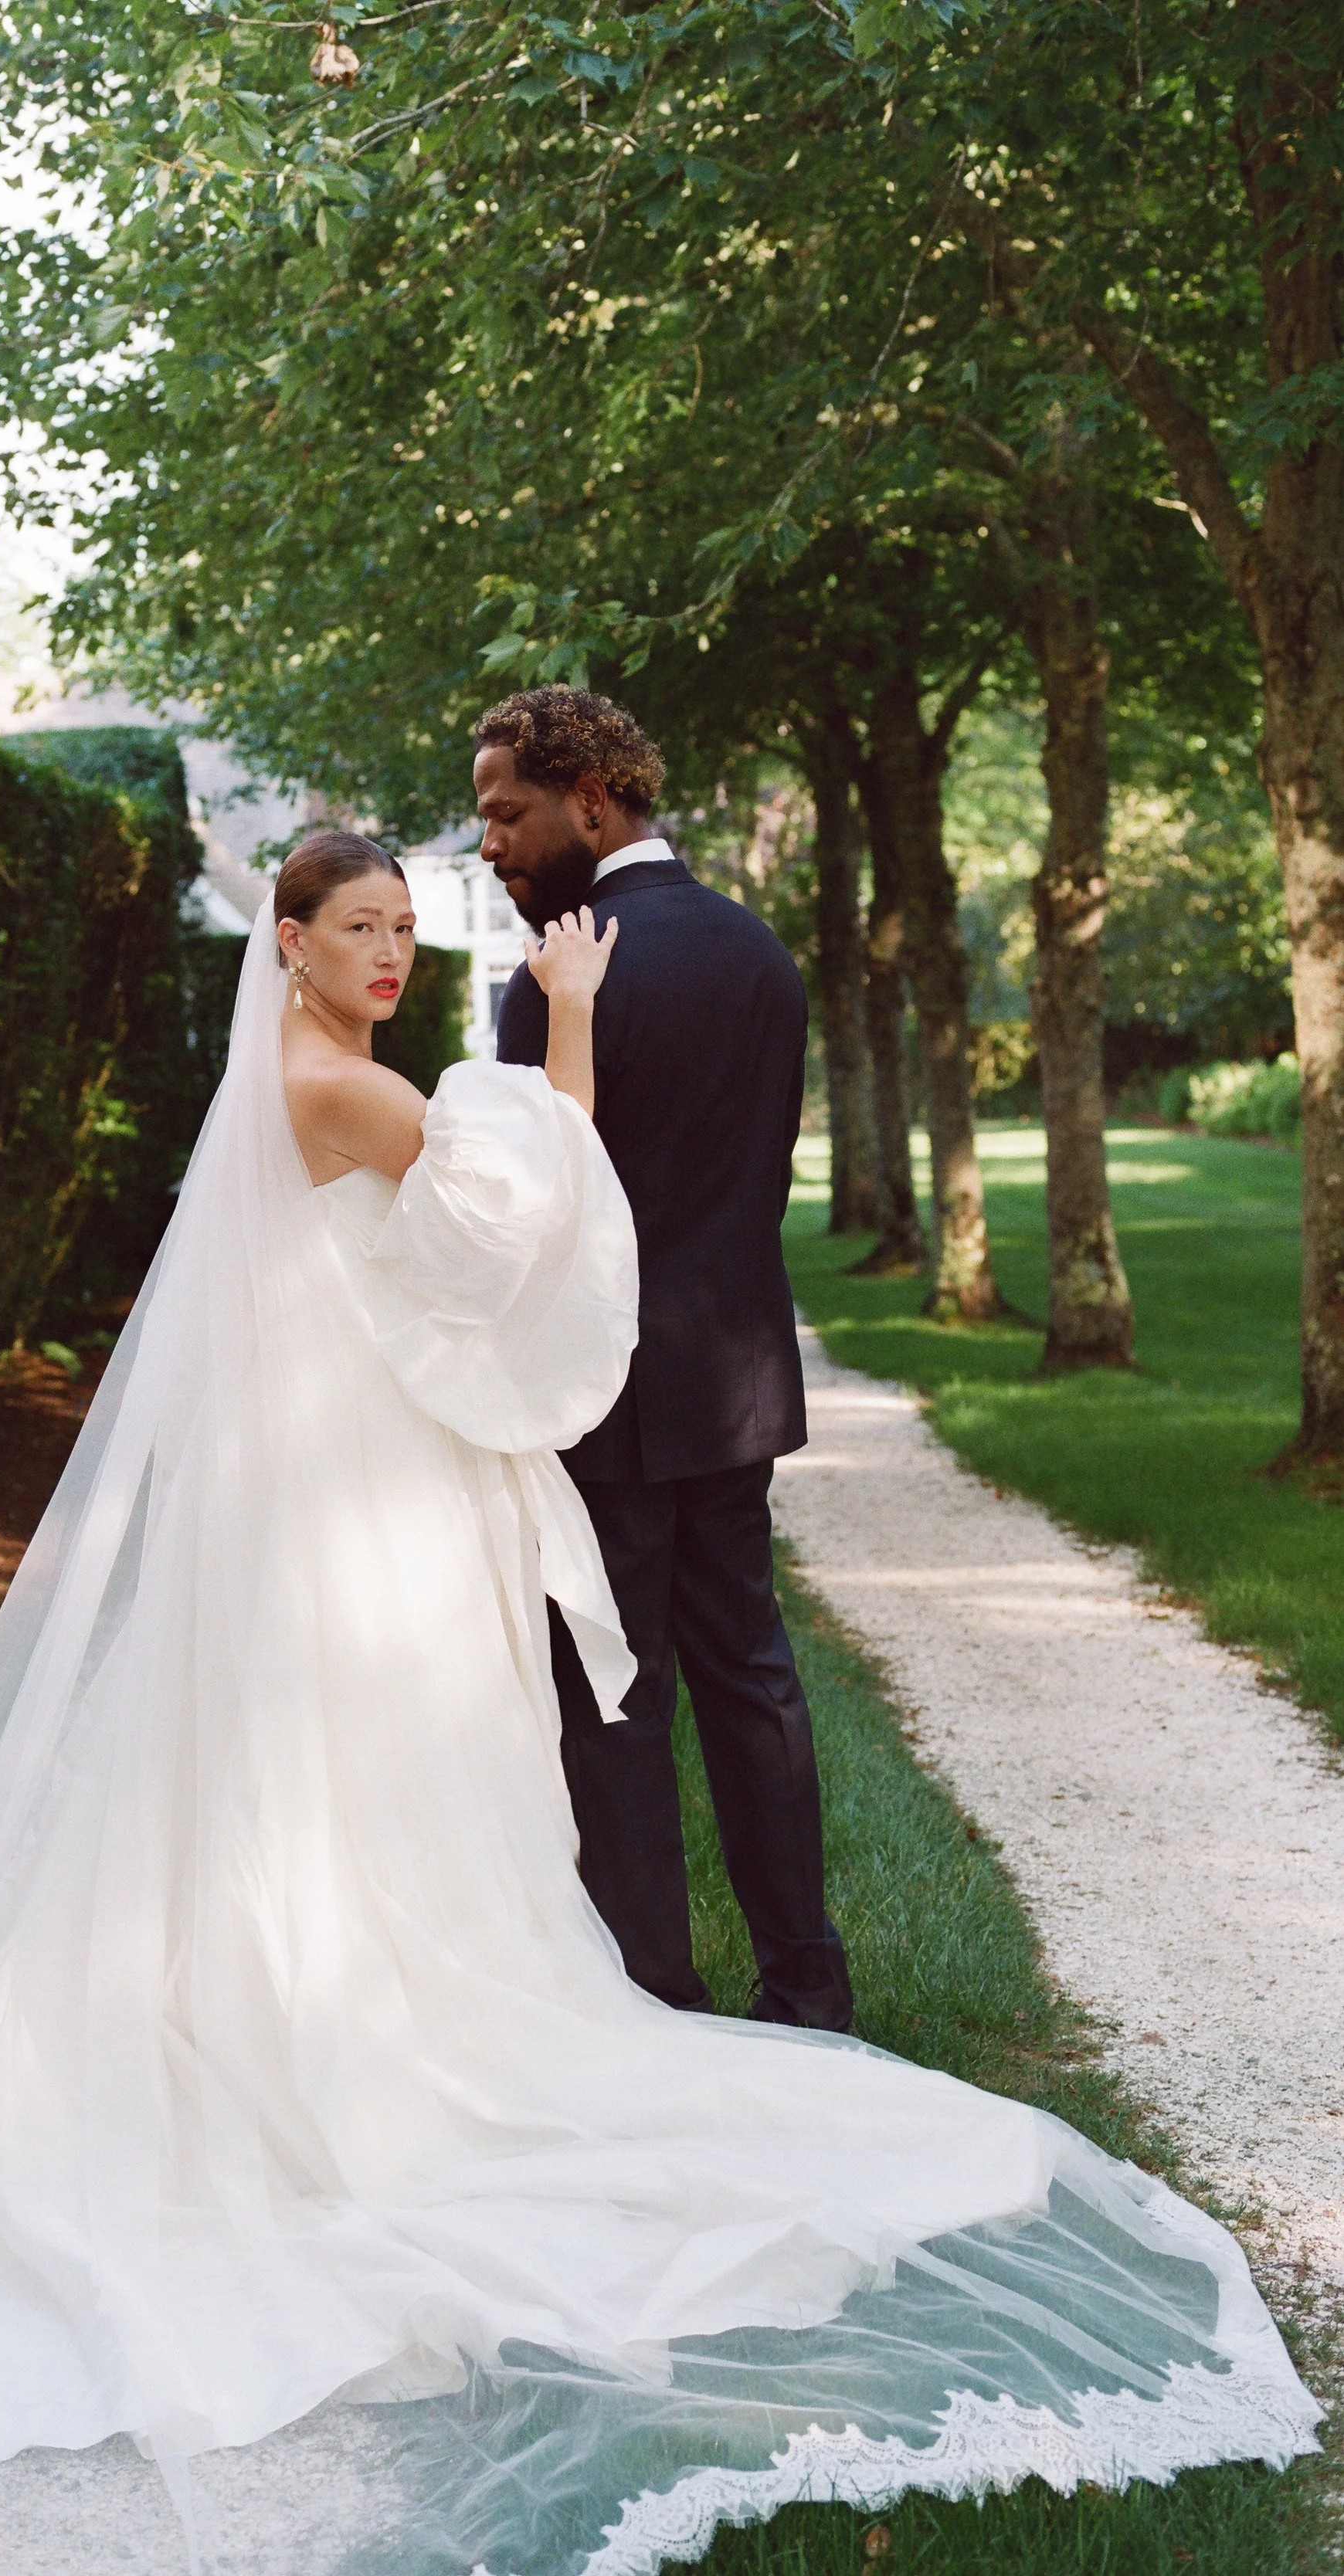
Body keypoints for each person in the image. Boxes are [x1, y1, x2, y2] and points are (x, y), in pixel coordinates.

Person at [0, 835, 1315, 2576]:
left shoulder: (279, 1090)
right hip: (362, 1491)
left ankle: (282, 2000)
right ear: (292, 947)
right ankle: (340, 2051)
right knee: (395, 1764)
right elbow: (538, 1215)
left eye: (409, 932)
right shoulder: (345, 1088)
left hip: (312, 1474)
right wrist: (563, 1031)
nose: (393, 957)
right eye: (360, 932)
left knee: (316, 1768)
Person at [485, 684, 853, 2031]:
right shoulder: (762, 955)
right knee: (751, 1680)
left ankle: (653, 2002)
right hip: (736, 1388)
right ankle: (808, 1989)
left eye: (506, 814)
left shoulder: (556, 986)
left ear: (591, 798)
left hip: (603, 1404)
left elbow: (537, 1218)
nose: (490, 846)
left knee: (615, 1705)